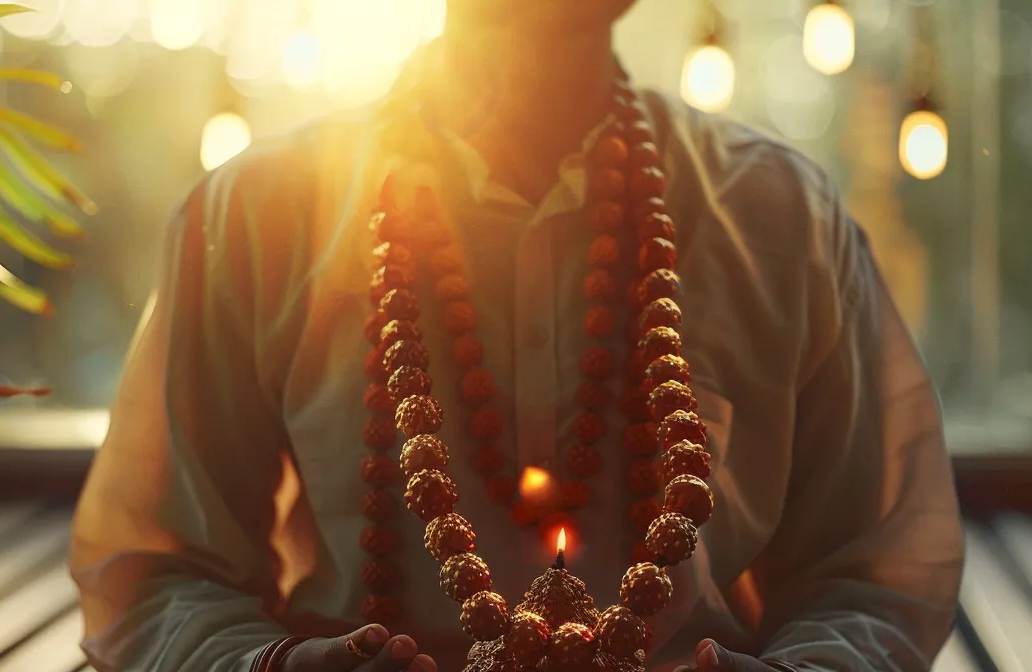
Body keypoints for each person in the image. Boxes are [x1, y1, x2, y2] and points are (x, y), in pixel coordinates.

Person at [68, 1, 964, 670]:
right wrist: (265, 666)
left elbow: (873, 573)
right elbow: (152, 570)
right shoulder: (255, 220)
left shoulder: (781, 218)